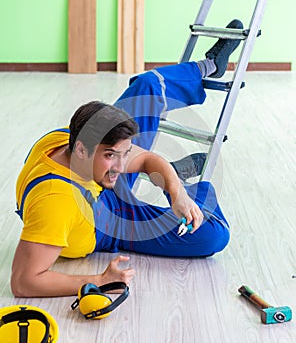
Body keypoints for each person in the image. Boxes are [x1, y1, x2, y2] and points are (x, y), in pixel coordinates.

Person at [11, 19, 243, 297]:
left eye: (124, 153)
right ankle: (194, 191)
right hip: (102, 222)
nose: (122, 167)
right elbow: (23, 282)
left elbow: (144, 160)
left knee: (147, 85)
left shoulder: (67, 139)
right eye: (111, 156)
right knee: (213, 235)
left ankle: (208, 67)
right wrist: (99, 279)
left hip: (95, 186)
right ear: (82, 149)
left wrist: (176, 192)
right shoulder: (56, 202)